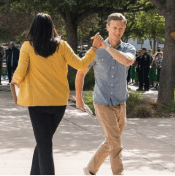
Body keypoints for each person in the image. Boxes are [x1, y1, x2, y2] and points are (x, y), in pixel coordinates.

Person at [11, 13, 102, 175]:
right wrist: (94, 48)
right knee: (43, 143)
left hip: (37, 103)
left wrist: (14, 81)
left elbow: (20, 72)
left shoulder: (28, 47)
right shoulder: (62, 46)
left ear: (34, 28)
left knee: (44, 146)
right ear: (51, 27)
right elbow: (80, 64)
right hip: (59, 103)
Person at [75, 13, 136, 176]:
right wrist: (79, 100)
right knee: (116, 143)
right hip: (102, 103)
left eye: (121, 28)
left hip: (121, 102)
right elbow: (80, 73)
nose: (118, 31)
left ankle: (90, 170)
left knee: (111, 141)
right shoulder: (95, 51)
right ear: (107, 27)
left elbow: (127, 61)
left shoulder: (129, 49)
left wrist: (106, 47)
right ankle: (118, 173)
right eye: (114, 28)